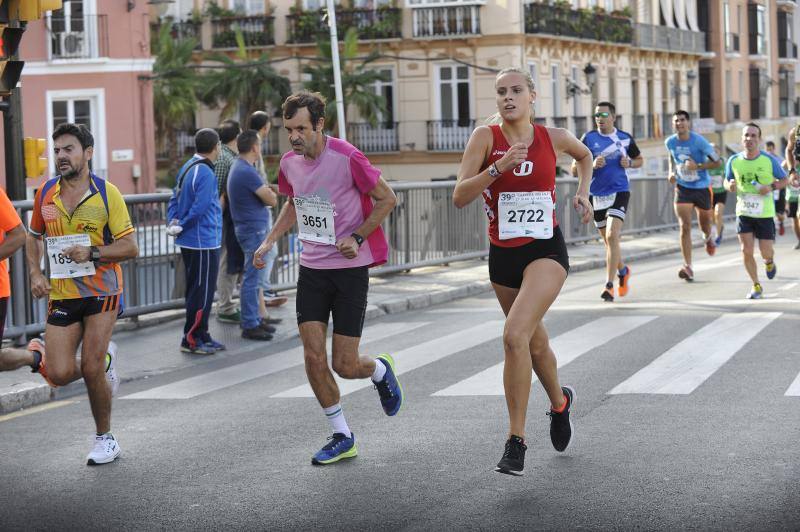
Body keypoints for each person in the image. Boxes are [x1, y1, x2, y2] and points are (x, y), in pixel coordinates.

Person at [453, 67, 593, 476]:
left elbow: (585, 156)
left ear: (532, 96)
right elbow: (460, 195)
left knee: (514, 336)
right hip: (503, 256)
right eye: (501, 92)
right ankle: (560, 402)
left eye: (516, 90)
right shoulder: (485, 138)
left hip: (546, 249)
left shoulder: (553, 137)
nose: (508, 97)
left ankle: (516, 441)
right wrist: (498, 168)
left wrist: (583, 193)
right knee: (531, 344)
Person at [253, 91, 400, 465]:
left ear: (319, 124)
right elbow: (293, 204)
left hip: (350, 272)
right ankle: (341, 434)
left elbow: (387, 198)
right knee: (313, 356)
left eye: (302, 128)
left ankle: (380, 370)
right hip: (313, 269)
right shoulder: (289, 163)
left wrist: (357, 236)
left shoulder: (347, 156)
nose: (295, 136)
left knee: (345, 365)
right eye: (289, 129)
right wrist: (269, 241)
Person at [26, 123, 138, 465]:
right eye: (57, 150)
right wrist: (35, 271)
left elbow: (130, 247)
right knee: (58, 373)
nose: (61, 156)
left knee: (88, 367)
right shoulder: (46, 194)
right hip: (62, 293)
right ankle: (106, 362)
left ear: (87, 153)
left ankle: (105, 439)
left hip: (102, 291)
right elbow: (33, 236)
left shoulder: (108, 194)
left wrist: (92, 252)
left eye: (68, 149)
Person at [573, 101, 643, 302]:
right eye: (596, 115)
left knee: (613, 235)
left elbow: (639, 160)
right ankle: (622, 270)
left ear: (613, 117)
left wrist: (629, 163)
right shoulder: (588, 139)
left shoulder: (624, 138)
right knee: (608, 241)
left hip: (620, 191)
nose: (599, 119)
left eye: (603, 115)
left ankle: (609, 285)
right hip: (596, 195)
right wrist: (592, 165)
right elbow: (573, 169)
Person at [167, 128, 224, 354]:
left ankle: (202, 334)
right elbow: (200, 207)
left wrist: (174, 221)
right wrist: (185, 223)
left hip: (192, 240)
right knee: (201, 292)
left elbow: (174, 196)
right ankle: (191, 339)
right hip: (203, 241)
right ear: (216, 146)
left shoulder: (187, 167)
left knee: (200, 291)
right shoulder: (206, 173)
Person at [724, 123, 787, 299]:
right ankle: (756, 285)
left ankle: (769, 262)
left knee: (765, 251)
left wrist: (771, 187)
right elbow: (726, 180)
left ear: (759, 139)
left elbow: (784, 180)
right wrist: (729, 185)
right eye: (746, 136)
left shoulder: (768, 160)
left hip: (764, 213)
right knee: (746, 250)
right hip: (743, 211)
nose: (749, 139)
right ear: (742, 139)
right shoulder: (734, 160)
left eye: (753, 136)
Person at [227, 129, 278, 341]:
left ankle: (255, 320)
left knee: (253, 277)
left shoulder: (240, 167)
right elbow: (271, 200)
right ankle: (250, 323)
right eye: (260, 144)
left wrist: (268, 191)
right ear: (255, 147)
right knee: (252, 278)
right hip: (253, 230)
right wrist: (271, 193)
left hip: (248, 228)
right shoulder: (246, 171)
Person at [665, 110, 722, 281]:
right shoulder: (670, 142)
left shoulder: (699, 141)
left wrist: (697, 166)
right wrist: (670, 172)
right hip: (683, 187)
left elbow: (717, 162)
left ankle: (708, 237)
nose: (679, 123)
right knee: (685, 226)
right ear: (673, 124)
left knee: (705, 223)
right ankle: (688, 266)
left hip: (702, 187)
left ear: (688, 123)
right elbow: (672, 157)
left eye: (682, 120)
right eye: (676, 121)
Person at [247, 110, 288, 310]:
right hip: (259, 208)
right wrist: (269, 193)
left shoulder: (252, 143)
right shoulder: (255, 145)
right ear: (265, 127)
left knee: (268, 251)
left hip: (260, 205)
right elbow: (256, 179)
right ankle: (264, 291)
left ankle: (264, 291)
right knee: (267, 251)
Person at [214, 119, 245, 324]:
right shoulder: (226, 159)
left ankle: (226, 304)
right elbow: (216, 191)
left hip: (225, 218)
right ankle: (225, 306)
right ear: (238, 135)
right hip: (226, 218)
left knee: (229, 260)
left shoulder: (225, 156)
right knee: (227, 261)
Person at [765, 140, 787, 236]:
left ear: (774, 149)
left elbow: (784, 176)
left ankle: (781, 222)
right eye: (767, 150)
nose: (769, 152)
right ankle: (772, 231)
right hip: (769, 188)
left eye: (771, 149)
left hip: (779, 188)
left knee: (779, 214)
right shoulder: (764, 160)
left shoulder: (779, 159)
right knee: (770, 211)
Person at [708, 144, 728, 246]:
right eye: (712, 151)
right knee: (711, 217)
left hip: (721, 192)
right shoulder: (706, 163)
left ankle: (718, 235)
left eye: (716, 151)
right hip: (710, 194)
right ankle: (720, 227)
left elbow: (728, 176)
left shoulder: (723, 162)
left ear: (719, 152)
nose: (714, 154)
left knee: (718, 214)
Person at [786, 125, 800, 248]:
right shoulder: (795, 131)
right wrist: (791, 171)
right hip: (794, 187)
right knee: (796, 215)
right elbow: (789, 150)